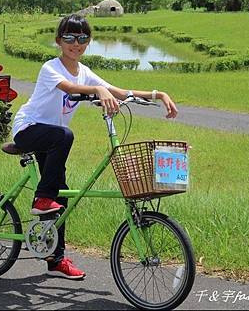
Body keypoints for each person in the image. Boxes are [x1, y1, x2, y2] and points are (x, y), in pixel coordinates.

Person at [11, 14, 178, 280]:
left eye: (82, 38)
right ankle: (41, 198)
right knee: (65, 137)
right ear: (58, 41)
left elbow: (119, 91)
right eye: (69, 38)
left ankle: (55, 259)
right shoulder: (50, 68)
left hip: (51, 139)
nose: (75, 44)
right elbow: (69, 87)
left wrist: (159, 95)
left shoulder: (85, 72)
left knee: (61, 195)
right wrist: (96, 92)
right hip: (28, 130)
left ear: (88, 42)